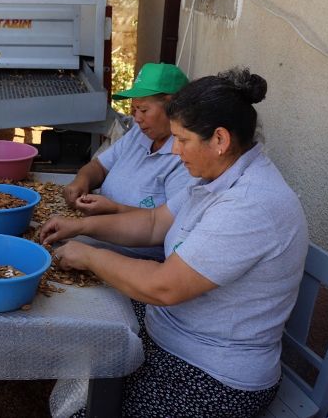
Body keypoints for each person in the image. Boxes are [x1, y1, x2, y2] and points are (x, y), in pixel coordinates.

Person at [41, 67, 309, 417]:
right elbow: (154, 224)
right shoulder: (217, 176)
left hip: (212, 374)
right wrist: (81, 229)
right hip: (170, 332)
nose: (176, 151)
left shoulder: (252, 204)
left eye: (182, 140)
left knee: (88, 406)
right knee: (83, 329)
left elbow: (165, 287)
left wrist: (90, 257)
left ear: (220, 140)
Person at [62, 62, 196, 259]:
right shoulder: (138, 133)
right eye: (133, 110)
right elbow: (99, 166)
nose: (137, 118)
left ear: (173, 108)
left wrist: (113, 210)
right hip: (96, 239)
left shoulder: (185, 158)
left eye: (143, 110)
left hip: (133, 258)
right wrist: (81, 181)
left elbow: (163, 224)